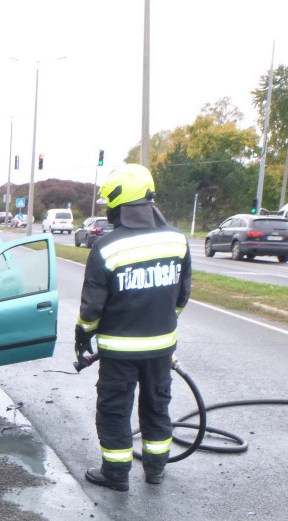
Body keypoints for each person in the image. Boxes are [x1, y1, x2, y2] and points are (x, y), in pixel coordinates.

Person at [75, 164, 192, 491]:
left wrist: (83, 335)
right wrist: (162, 321)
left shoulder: (106, 248)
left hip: (119, 352)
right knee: (157, 407)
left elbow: (91, 309)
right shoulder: (177, 241)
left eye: (109, 205)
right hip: (161, 348)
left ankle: (116, 475)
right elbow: (182, 295)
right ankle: (155, 470)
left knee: (114, 411)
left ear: (118, 204)